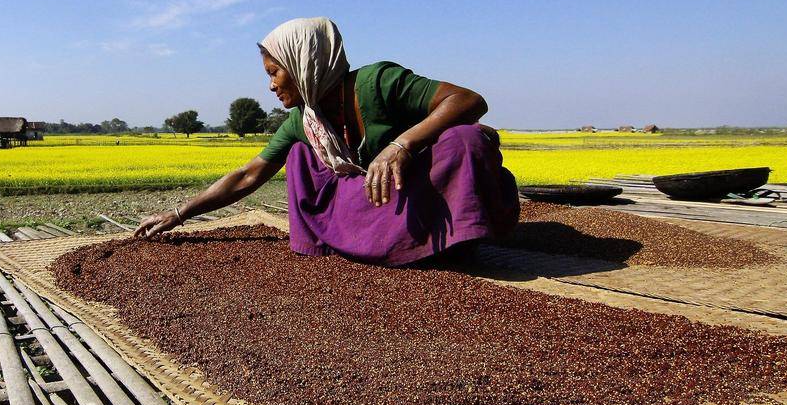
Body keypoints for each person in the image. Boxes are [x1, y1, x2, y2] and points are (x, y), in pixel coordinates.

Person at [134, 17, 519, 266]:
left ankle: (447, 241)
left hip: (423, 192)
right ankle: (396, 245)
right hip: (382, 204)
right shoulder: (304, 119)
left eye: (274, 72)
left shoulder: (376, 82)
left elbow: (470, 101)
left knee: (465, 139)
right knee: (302, 157)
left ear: (304, 62)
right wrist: (180, 214)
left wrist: (400, 145)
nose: (270, 85)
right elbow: (249, 174)